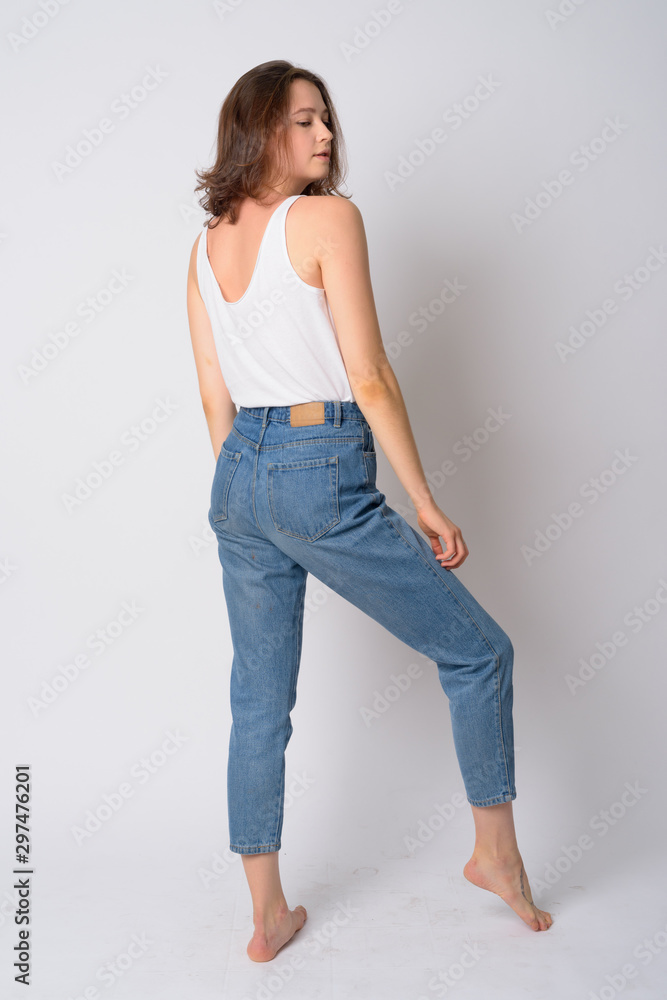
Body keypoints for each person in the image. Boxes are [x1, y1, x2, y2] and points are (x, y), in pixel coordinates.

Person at [186, 60, 553, 963]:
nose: (324, 135)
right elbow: (369, 374)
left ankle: (267, 916)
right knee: (478, 653)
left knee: (257, 702)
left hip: (237, 477)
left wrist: (248, 493)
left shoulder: (203, 246)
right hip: (315, 466)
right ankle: (493, 855)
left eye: (326, 120)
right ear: (258, 129)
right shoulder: (326, 220)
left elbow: (213, 395)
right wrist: (423, 501)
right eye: (303, 120)